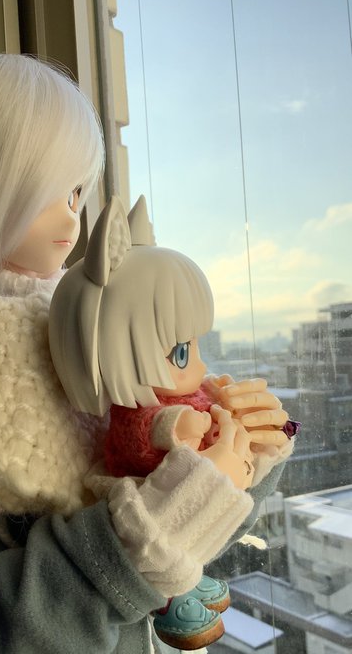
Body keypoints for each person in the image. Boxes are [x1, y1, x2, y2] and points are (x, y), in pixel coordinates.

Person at [0, 53, 292, 654]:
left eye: (76, 190)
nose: (72, 214)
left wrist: (237, 459)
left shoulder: (93, 319)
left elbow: (166, 501)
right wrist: (145, 539)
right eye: (43, 190)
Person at [49, 196, 298, 650]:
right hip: (138, 491)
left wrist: (243, 421)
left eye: (196, 346)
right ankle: (170, 598)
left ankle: (188, 578)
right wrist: (180, 426)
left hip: (179, 491)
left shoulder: (190, 388)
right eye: (182, 353)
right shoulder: (133, 411)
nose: (197, 366)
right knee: (158, 536)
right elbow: (139, 436)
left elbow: (226, 507)